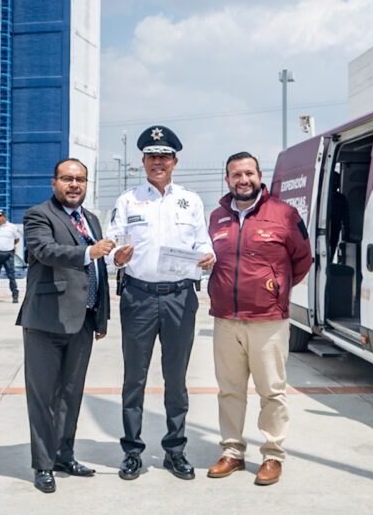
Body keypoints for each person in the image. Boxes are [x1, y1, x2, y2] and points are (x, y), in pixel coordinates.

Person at [106, 125, 214, 482]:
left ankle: (175, 449)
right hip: (138, 297)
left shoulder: (190, 201)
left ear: (174, 162)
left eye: (164, 157)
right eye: (152, 156)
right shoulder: (128, 200)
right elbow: (113, 244)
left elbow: (203, 242)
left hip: (180, 298)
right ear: (143, 161)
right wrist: (117, 257)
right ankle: (132, 451)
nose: (158, 162)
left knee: (176, 379)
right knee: (134, 378)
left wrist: (208, 256)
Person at [205, 152, 312, 486]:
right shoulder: (216, 218)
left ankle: (272, 454)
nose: (243, 180)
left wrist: (275, 289)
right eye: (236, 175)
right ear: (227, 179)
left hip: (268, 319)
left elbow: (303, 259)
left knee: (272, 391)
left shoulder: (285, 214)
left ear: (259, 176)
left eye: (249, 173)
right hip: (225, 319)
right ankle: (232, 451)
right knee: (229, 391)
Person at [17, 158, 115, 494]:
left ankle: (63, 456)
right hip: (46, 321)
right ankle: (43, 465)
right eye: (67, 179)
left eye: (81, 179)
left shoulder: (91, 219)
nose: (74, 185)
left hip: (83, 321)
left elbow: (98, 270)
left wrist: (100, 316)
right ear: (54, 182)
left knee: (71, 396)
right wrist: (89, 251)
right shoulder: (38, 215)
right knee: (44, 396)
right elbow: (45, 250)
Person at [0, 209, 22, 304]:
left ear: (4, 217)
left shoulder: (12, 227)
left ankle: (15, 295)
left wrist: (9, 246)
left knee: (11, 276)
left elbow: (17, 239)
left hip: (8, 254)